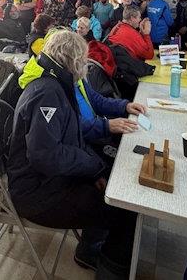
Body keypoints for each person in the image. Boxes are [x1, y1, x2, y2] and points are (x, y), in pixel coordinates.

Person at [8, 31, 137, 277]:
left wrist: (93, 168)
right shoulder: (47, 92)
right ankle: (109, 269)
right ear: (73, 60)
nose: (86, 66)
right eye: (84, 61)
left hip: (47, 180)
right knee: (123, 208)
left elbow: (71, 130)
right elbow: (46, 156)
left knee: (112, 185)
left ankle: (90, 249)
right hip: (37, 193)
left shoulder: (58, 82)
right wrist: (92, 167)